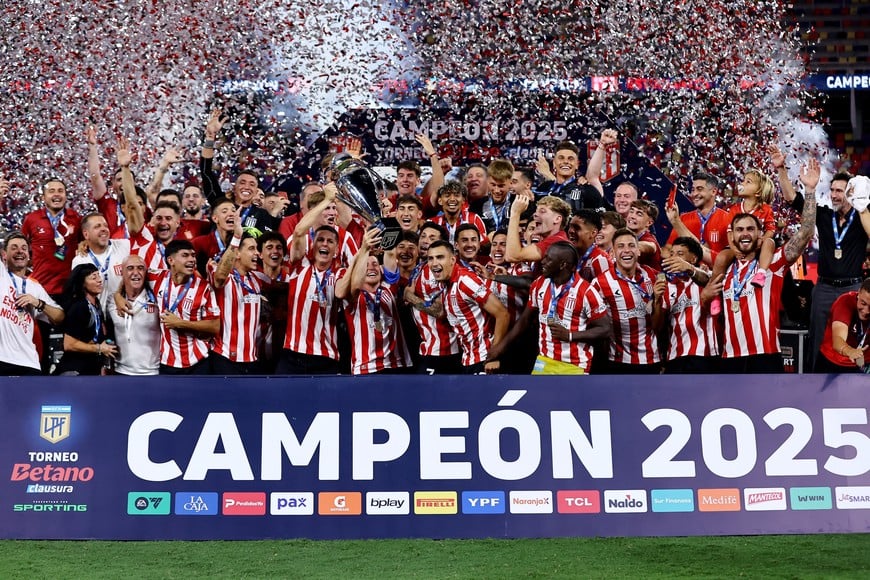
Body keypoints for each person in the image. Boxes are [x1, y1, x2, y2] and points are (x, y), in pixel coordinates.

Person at [701, 158, 819, 373]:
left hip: (765, 357)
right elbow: (698, 270)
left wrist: (809, 191)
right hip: (729, 359)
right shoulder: (725, 266)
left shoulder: (772, 263)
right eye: (739, 229)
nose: (745, 233)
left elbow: (806, 232)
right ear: (732, 235)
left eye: (750, 229)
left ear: (759, 235)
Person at [774, 148, 870, 370]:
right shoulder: (825, 215)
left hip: (853, 289)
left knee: (851, 340)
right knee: (817, 339)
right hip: (824, 289)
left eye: (840, 191)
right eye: (833, 190)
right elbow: (792, 198)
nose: (834, 195)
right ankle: (814, 384)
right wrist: (781, 170)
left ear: (851, 192)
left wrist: (862, 206)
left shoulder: (861, 217)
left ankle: (854, 384)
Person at [490, 242, 610, 374]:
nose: (543, 261)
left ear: (562, 265)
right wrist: (499, 348)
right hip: (544, 361)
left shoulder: (586, 292)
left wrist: (570, 336)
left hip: (575, 365)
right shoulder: (539, 284)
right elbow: (525, 320)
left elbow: (604, 329)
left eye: (549, 259)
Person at [335, 228, 412, 375]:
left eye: (375, 264)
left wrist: (389, 229)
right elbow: (348, 287)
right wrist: (363, 249)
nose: (371, 268)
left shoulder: (390, 288)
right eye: (366, 265)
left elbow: (390, 253)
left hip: (396, 365)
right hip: (365, 367)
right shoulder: (353, 296)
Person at [427, 240, 509, 374]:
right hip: (468, 359)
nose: (434, 263)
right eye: (430, 259)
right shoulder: (446, 284)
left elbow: (502, 314)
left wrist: (494, 356)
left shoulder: (465, 280)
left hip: (484, 359)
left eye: (440, 257)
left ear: (452, 260)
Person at [707, 168, 777, 315]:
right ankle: (715, 296)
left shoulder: (766, 209)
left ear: (758, 192)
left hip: (758, 245)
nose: (742, 183)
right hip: (737, 245)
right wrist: (733, 249)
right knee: (720, 258)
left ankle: (761, 273)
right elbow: (729, 233)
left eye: (748, 181)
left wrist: (762, 240)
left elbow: (771, 229)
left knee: (770, 242)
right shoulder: (734, 209)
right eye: (743, 180)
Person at [200, 108, 281, 233]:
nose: (247, 187)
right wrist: (210, 137)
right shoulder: (221, 203)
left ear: (255, 191)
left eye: (252, 184)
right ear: (234, 187)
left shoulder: (262, 215)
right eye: (242, 183)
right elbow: (206, 172)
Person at [591, 229, 661, 373]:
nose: (627, 250)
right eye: (621, 246)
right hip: (617, 360)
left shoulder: (653, 276)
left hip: (652, 358)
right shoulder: (600, 283)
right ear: (613, 253)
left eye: (631, 245)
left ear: (639, 251)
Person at [148, 240, 220, 374]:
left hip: (198, 363)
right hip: (167, 362)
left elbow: (215, 326)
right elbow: (133, 273)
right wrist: (118, 294)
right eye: (185, 255)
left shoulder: (204, 288)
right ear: (171, 260)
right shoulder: (156, 278)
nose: (192, 259)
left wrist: (180, 323)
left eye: (193, 255)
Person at [0, 232, 64, 375]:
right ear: (4, 254)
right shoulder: (2, 275)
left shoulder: (34, 287)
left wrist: (38, 303)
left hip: (29, 362)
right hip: (2, 359)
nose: (19, 251)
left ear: (29, 255)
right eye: (14, 247)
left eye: (24, 248)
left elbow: (59, 317)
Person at [208, 210, 264, 375]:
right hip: (224, 358)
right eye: (252, 249)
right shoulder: (221, 274)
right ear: (237, 253)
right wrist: (237, 237)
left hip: (252, 360)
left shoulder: (257, 279)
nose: (257, 254)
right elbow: (219, 277)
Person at [652, 236, 717, 373]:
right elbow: (657, 327)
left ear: (693, 259)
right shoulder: (666, 287)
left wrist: (689, 268)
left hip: (705, 354)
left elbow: (707, 280)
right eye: (672, 254)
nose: (674, 258)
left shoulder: (707, 276)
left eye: (680, 254)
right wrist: (657, 301)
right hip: (675, 357)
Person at [20, 178, 82, 299]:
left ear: (65, 195)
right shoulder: (32, 219)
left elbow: (84, 243)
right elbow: (22, 247)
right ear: (43, 197)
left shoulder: (76, 218)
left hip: (69, 288)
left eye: (60, 191)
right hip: (40, 286)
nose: (57, 194)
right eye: (51, 191)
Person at [53, 264, 117, 376]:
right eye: (94, 277)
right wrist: (99, 348)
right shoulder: (79, 306)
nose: (99, 280)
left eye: (99, 276)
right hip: (74, 371)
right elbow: (69, 344)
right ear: (83, 284)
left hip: (90, 369)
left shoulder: (96, 304)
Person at [105, 254, 160, 376]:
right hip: (120, 372)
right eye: (130, 268)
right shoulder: (111, 301)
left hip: (153, 372)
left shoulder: (157, 299)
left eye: (140, 268)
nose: (136, 272)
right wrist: (117, 295)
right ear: (121, 273)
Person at [665, 171, 731, 266]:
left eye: (699, 189)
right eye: (693, 190)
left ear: (713, 191)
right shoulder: (683, 218)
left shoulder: (728, 219)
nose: (694, 194)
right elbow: (668, 248)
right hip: (686, 276)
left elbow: (730, 257)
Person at [71, 213, 130, 310]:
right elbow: (78, 294)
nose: (103, 229)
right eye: (97, 226)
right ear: (86, 234)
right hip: (98, 314)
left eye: (105, 225)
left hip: (123, 311)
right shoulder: (80, 260)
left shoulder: (124, 246)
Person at [535, 136, 610, 213]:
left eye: (570, 159)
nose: (566, 161)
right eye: (561, 158)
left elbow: (600, 219)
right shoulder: (543, 188)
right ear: (554, 163)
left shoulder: (588, 190)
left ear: (577, 164)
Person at [815, 278, 870, 373]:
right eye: (863, 303)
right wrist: (850, 351)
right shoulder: (844, 302)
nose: (866, 311)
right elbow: (838, 340)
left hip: (864, 365)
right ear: (859, 292)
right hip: (833, 364)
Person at [505, 195, 571, 265]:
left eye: (542, 211)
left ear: (557, 219)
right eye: (536, 211)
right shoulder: (552, 240)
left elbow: (512, 256)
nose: (535, 215)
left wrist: (515, 213)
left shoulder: (557, 242)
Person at [567, 210, 612, 282]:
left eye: (577, 228)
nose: (571, 231)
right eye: (570, 226)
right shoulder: (569, 256)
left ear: (593, 233)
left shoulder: (600, 260)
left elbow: (606, 290)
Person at [625, 199, 662, 269]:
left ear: (649, 223)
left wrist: (623, 247)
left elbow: (650, 246)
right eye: (631, 211)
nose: (632, 216)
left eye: (639, 214)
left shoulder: (650, 240)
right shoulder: (626, 235)